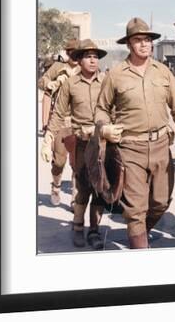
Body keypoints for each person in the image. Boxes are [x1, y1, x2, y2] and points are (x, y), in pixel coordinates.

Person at [95, 17, 175, 249]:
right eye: (138, 40)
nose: (144, 44)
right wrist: (105, 128)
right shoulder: (116, 74)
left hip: (161, 146)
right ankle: (140, 250)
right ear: (128, 44)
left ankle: (141, 234)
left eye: (148, 40)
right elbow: (101, 109)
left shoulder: (163, 72)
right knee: (136, 209)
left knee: (160, 202)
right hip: (130, 149)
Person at [42, 39, 108, 249]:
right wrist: (48, 138)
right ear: (79, 60)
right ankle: (78, 226)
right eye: (88, 56)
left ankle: (95, 230)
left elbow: (116, 109)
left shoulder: (107, 81)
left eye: (95, 56)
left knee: (100, 189)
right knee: (82, 187)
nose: (92, 60)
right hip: (81, 143)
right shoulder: (70, 84)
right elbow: (59, 113)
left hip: (103, 143)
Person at [38, 38, 80, 206]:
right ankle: (56, 186)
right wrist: (52, 83)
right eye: (71, 52)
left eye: (78, 53)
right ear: (67, 53)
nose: (75, 56)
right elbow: (41, 82)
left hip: (78, 121)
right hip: (60, 121)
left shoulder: (84, 68)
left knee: (78, 163)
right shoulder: (57, 67)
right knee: (59, 161)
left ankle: (75, 197)